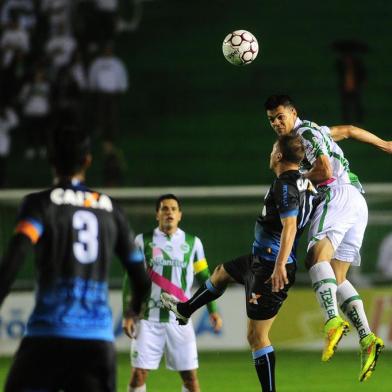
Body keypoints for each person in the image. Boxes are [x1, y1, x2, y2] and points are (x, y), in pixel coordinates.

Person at [161, 135, 320, 392]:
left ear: (279, 156)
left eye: (272, 149)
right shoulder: (304, 181)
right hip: (260, 259)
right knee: (221, 273)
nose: (270, 153)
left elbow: (290, 226)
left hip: (271, 267)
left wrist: (280, 265)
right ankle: (186, 309)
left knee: (257, 337)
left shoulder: (284, 185)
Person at [0, 124, 151, 391]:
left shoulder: (41, 204)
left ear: (51, 160)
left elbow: (14, 260)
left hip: (47, 338)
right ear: (88, 160)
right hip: (96, 342)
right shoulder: (111, 209)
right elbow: (141, 278)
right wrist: (132, 309)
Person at [264, 94, 392, 382]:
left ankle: (332, 320)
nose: (276, 123)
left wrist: (298, 179)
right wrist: (384, 144)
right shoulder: (316, 130)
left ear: (293, 112)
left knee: (314, 257)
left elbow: (324, 170)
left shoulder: (305, 133)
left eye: (280, 116)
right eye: (271, 119)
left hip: (337, 194)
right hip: (357, 200)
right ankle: (367, 337)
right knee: (337, 276)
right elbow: (347, 130)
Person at [122, 193, 223, 392]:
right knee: (138, 374)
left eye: (173, 209)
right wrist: (129, 314)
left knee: (191, 379)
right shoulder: (142, 241)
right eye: (164, 209)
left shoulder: (193, 243)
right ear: (157, 215)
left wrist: (213, 309)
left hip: (180, 319)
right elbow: (130, 279)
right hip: (148, 319)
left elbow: (205, 278)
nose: (169, 212)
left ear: (180, 215)